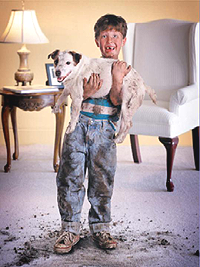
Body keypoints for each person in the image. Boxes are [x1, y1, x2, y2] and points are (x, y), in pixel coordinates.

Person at [54, 14, 131, 254]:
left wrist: (117, 80)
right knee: (69, 175)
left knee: (102, 180)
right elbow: (71, 90)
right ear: (97, 41)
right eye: (104, 36)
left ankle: (100, 227)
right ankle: (70, 227)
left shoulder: (125, 70)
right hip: (79, 126)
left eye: (115, 36)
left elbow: (119, 102)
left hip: (105, 130)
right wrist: (85, 92)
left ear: (123, 41)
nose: (110, 40)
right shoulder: (87, 65)